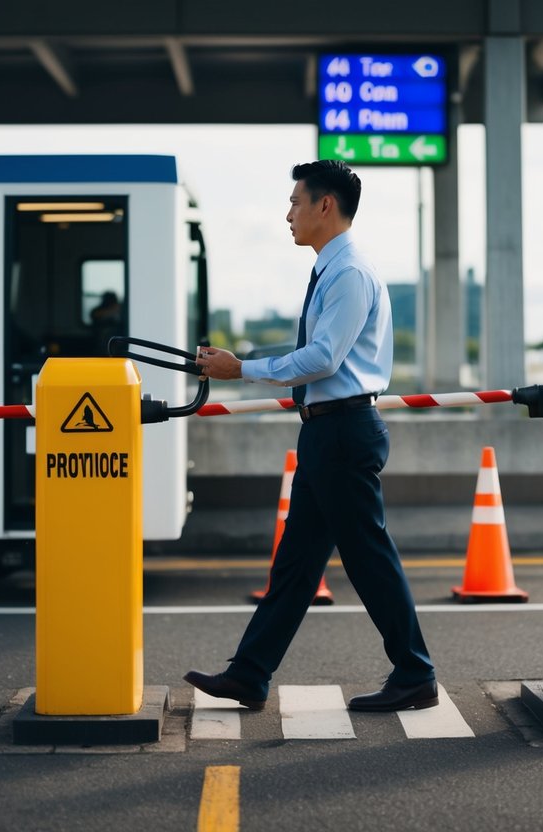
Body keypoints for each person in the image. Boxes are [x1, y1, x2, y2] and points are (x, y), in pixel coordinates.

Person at [185, 160, 437, 712]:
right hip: (329, 432)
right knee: (297, 564)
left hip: (344, 431)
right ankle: (249, 674)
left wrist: (241, 371)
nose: (289, 214)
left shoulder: (348, 273)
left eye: (297, 202)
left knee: (368, 557)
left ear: (326, 205)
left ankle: (415, 672)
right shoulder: (332, 269)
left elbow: (325, 358)